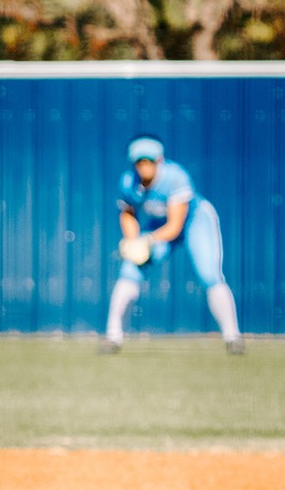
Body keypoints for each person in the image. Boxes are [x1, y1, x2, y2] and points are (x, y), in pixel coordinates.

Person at [103, 135, 245, 354]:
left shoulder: (176, 177)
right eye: (139, 162)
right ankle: (113, 337)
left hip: (194, 222)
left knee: (210, 275)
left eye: (148, 161)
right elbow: (128, 213)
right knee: (130, 269)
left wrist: (145, 241)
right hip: (159, 225)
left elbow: (175, 226)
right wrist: (132, 241)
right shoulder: (128, 182)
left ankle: (232, 337)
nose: (144, 167)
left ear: (159, 160)